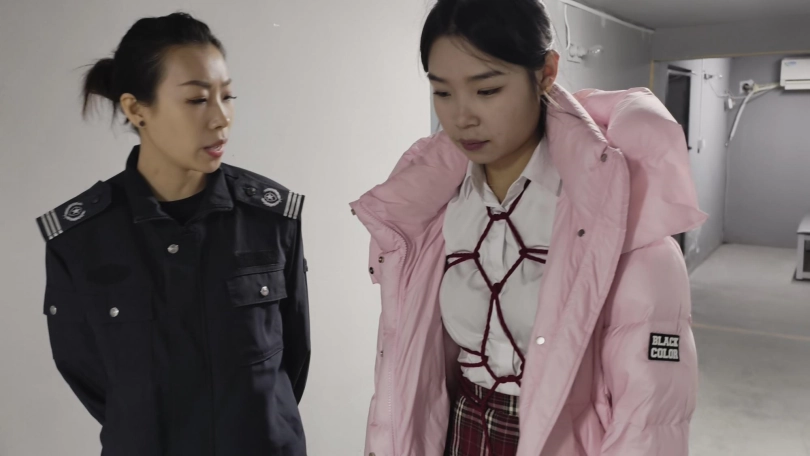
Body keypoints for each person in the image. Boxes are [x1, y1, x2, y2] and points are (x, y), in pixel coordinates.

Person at [350, 0, 707, 455]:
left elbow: (648, 420)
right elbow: (403, 376)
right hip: (459, 432)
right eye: (442, 92)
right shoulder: (433, 209)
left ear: (546, 74)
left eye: (487, 90)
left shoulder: (619, 217)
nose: (461, 117)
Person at [36, 12, 309, 456]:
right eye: (198, 99)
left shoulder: (271, 219)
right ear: (136, 109)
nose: (221, 118)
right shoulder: (79, 240)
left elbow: (293, 359)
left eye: (227, 96)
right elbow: (89, 376)